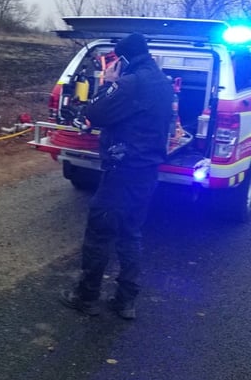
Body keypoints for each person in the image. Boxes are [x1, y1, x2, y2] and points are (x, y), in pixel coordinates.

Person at [60, 32, 172, 320]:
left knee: (99, 233)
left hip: (122, 169)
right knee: (131, 233)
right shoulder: (162, 81)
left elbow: (96, 112)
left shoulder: (129, 83)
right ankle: (125, 301)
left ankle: (86, 296)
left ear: (122, 59)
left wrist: (110, 81)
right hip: (147, 170)